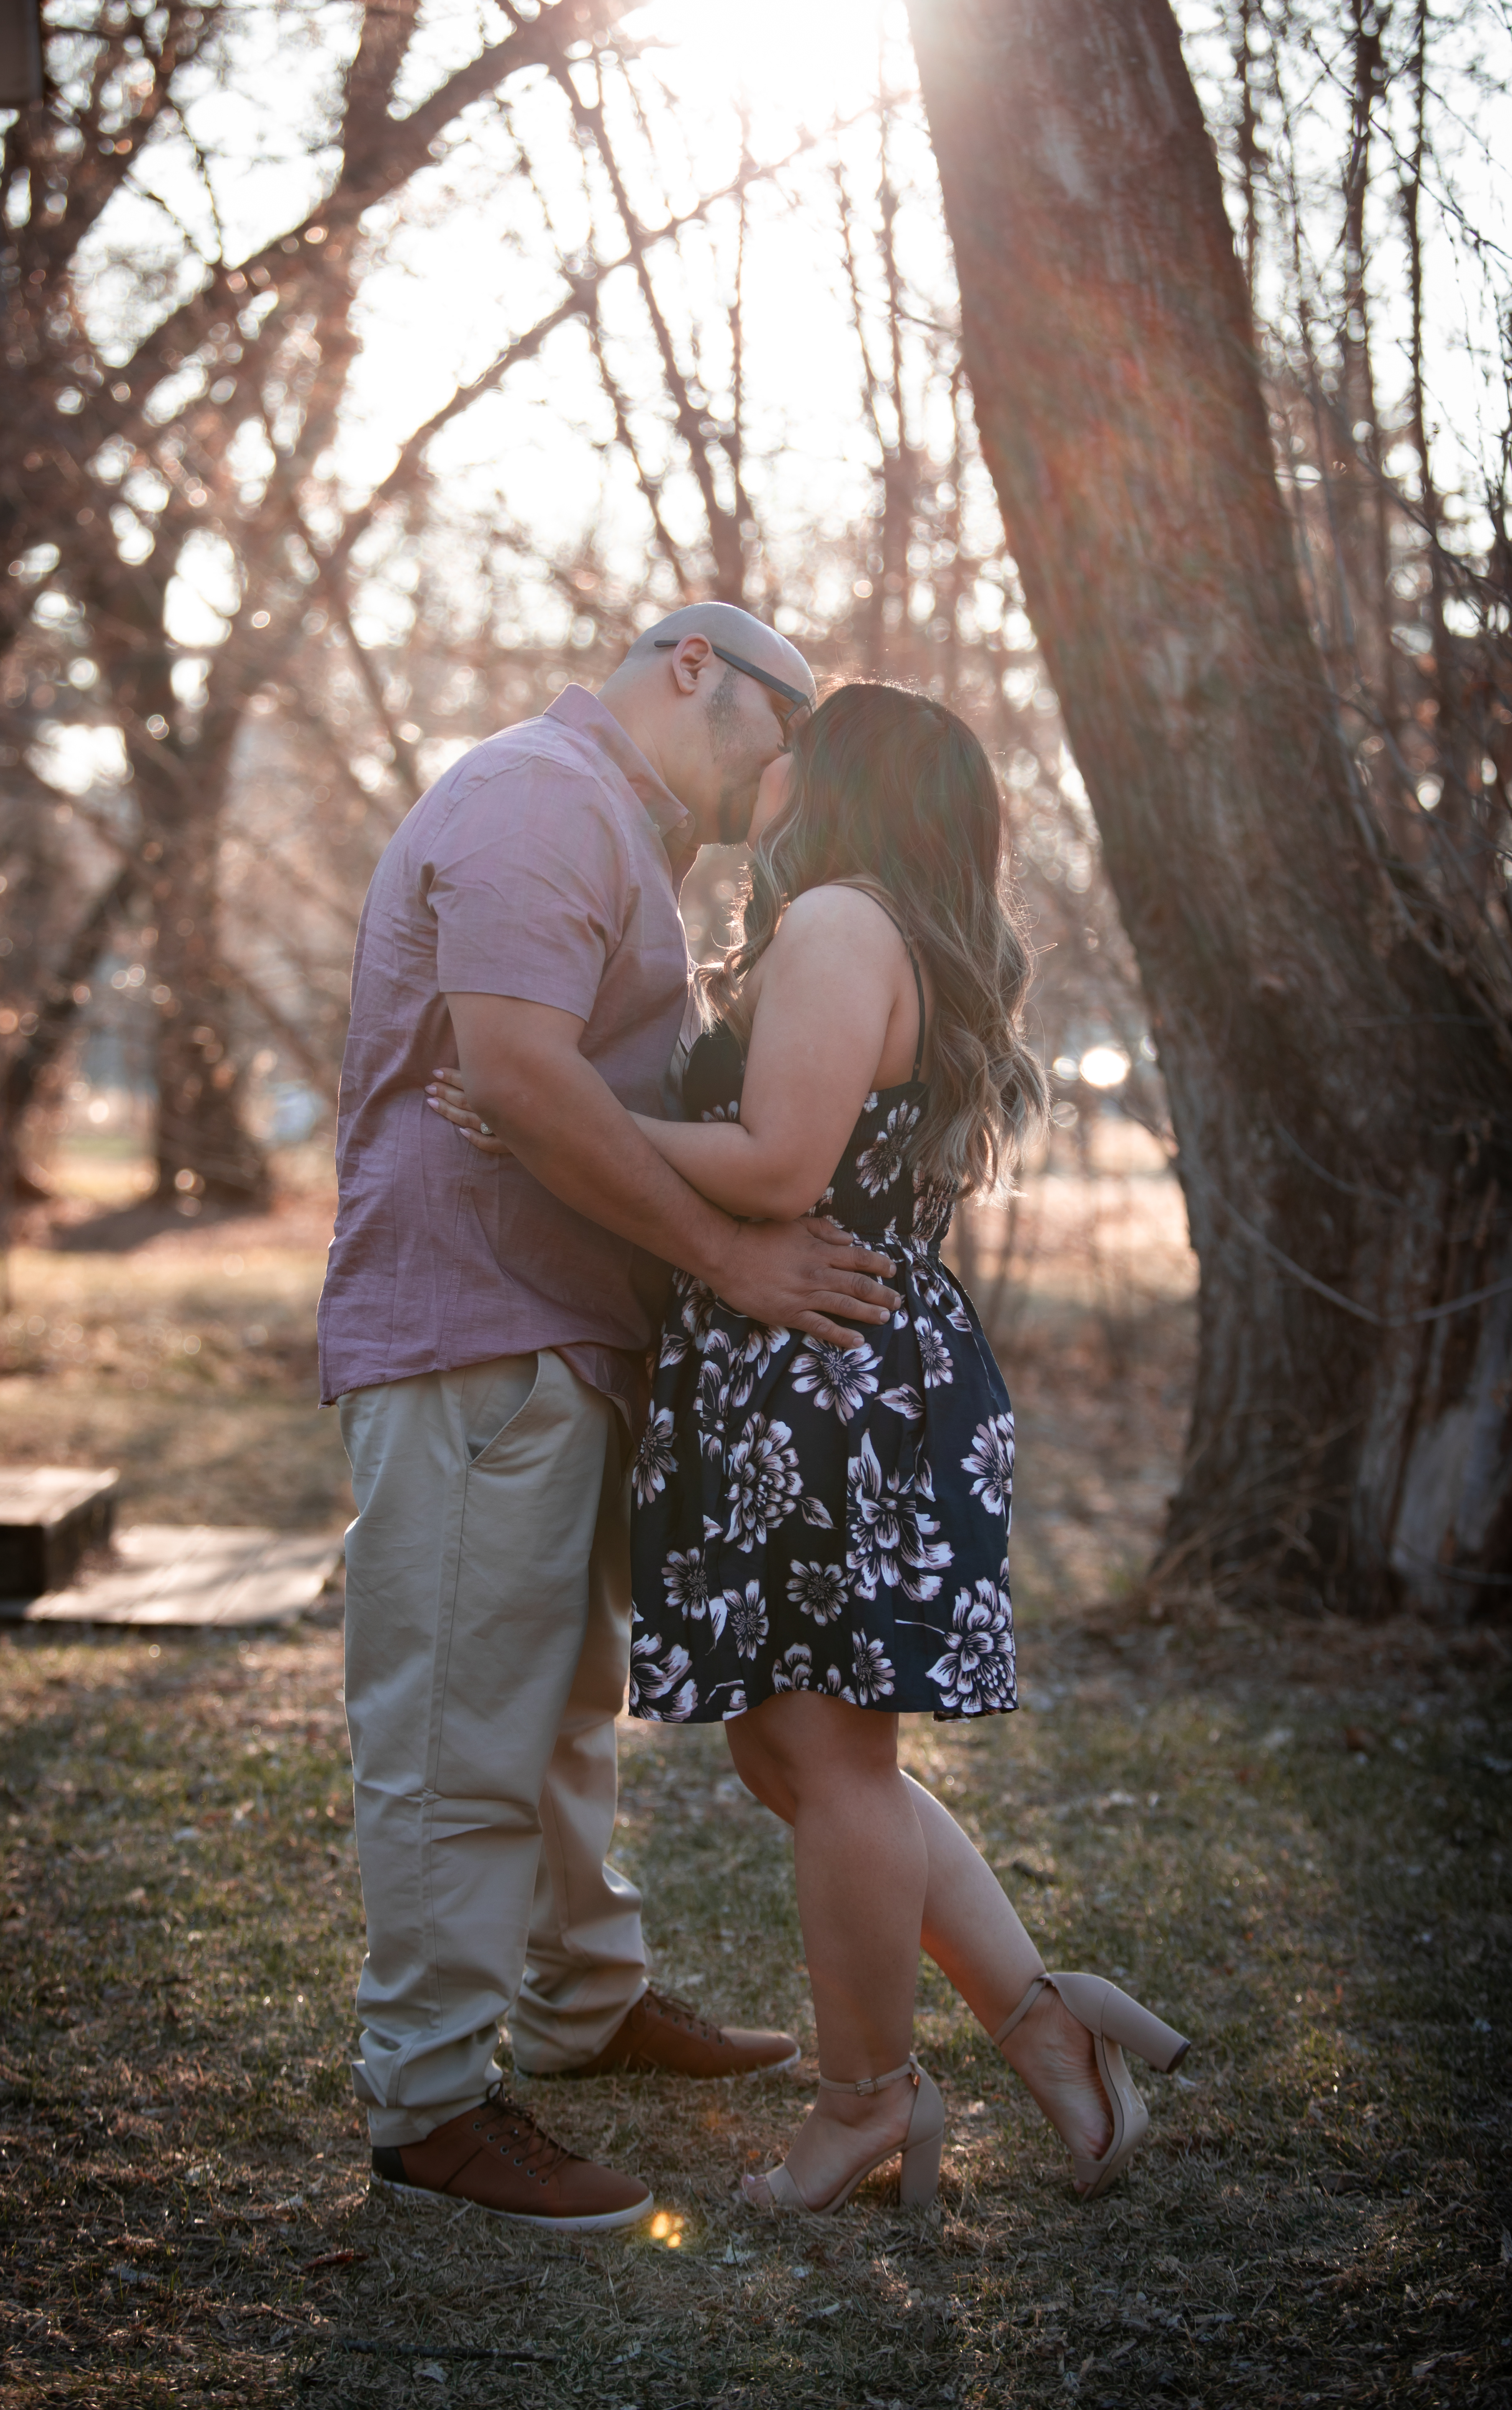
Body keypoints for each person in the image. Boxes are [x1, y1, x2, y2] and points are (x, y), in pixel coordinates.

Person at [434, 682, 1190, 2217]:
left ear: (838, 781)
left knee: (833, 1759)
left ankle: (866, 2106)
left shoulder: (842, 922)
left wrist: (558, 1118)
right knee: (794, 1749)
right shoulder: (883, 925)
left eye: (792, 754)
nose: (765, 775)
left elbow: (783, 1166)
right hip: (818, 1369)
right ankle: (1045, 2024)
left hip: (827, 1375)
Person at [318, 606, 905, 2233]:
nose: (778, 790)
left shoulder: (619, 839)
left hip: (559, 1336)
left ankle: (583, 2001)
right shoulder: (538, 797)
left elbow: (572, 1084)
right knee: (455, 1734)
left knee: (557, 1709)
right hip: (473, 1333)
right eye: (780, 746)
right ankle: (430, 2103)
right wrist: (730, 1255)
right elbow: (509, 1076)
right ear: (696, 667)